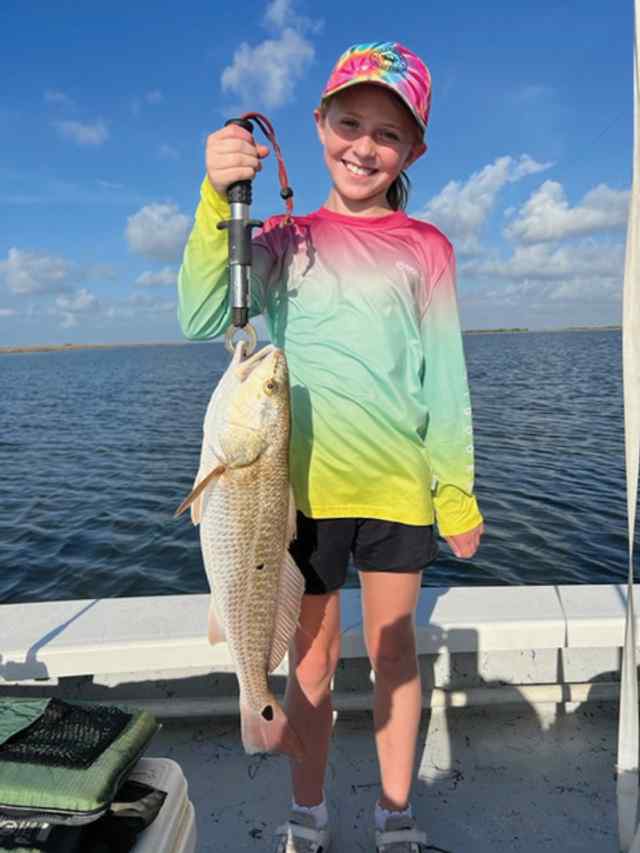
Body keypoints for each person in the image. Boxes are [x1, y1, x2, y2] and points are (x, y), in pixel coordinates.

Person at [178, 40, 484, 853]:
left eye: (387, 134)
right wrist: (217, 200)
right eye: (349, 122)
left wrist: (455, 488)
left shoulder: (429, 250)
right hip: (299, 495)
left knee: (395, 662)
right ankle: (307, 814)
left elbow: (444, 380)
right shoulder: (283, 239)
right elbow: (207, 314)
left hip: (397, 490)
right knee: (308, 671)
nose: (364, 146)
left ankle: (395, 813)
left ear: (413, 149)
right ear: (318, 125)